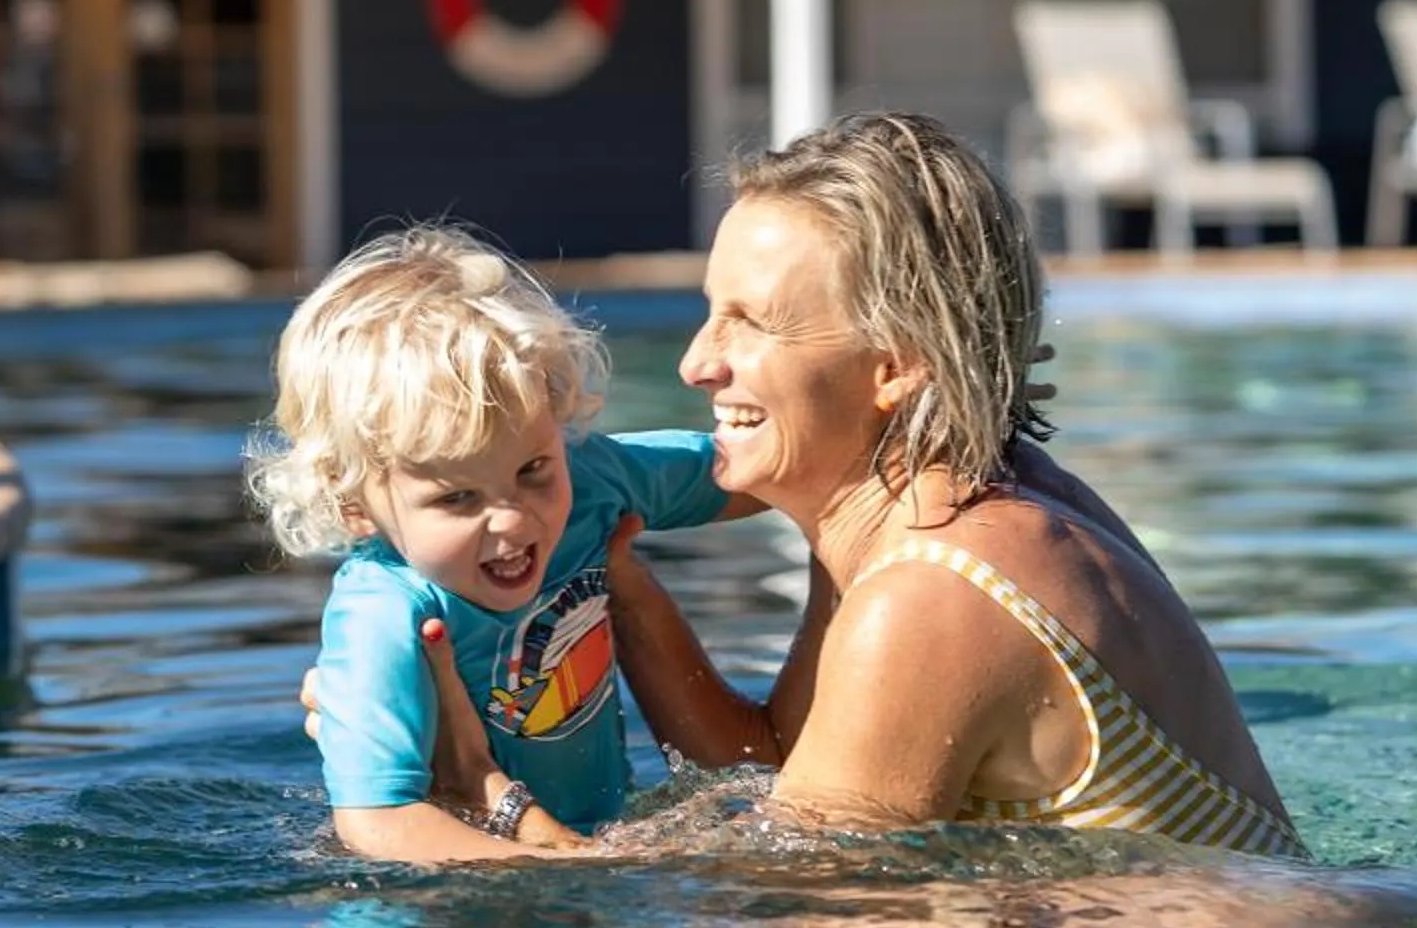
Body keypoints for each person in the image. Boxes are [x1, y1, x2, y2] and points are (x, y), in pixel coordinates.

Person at [310, 112, 1304, 861]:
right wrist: (617, 583)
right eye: (710, 313)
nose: (699, 363)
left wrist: (488, 793)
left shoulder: (931, 598)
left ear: (894, 364)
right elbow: (783, 761)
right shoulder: (957, 501)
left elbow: (782, 911)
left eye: (751, 323)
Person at [249, 223, 756, 864]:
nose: (513, 520)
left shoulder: (591, 483)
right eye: (456, 498)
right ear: (353, 505)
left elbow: (762, 471)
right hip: (442, 923)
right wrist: (576, 865)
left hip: (583, 848)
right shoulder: (387, 610)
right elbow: (379, 823)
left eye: (532, 471)